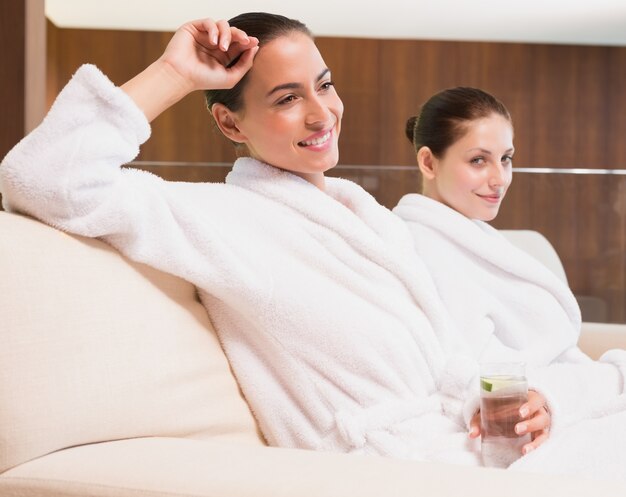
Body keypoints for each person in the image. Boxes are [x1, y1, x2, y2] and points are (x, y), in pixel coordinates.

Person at [0, 13, 549, 469]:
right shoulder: (218, 218)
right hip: (390, 465)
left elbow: (442, 351)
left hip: (466, 441)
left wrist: (515, 401)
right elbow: (44, 178)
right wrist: (174, 72)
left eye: (324, 84)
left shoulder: (367, 217)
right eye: (287, 99)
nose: (321, 113)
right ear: (230, 124)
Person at [393, 87, 626, 477]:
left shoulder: (477, 236)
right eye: (478, 160)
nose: (498, 178)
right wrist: (563, 394)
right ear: (429, 162)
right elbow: (481, 374)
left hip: (568, 397)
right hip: (531, 423)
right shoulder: (421, 246)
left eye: (506, 159)